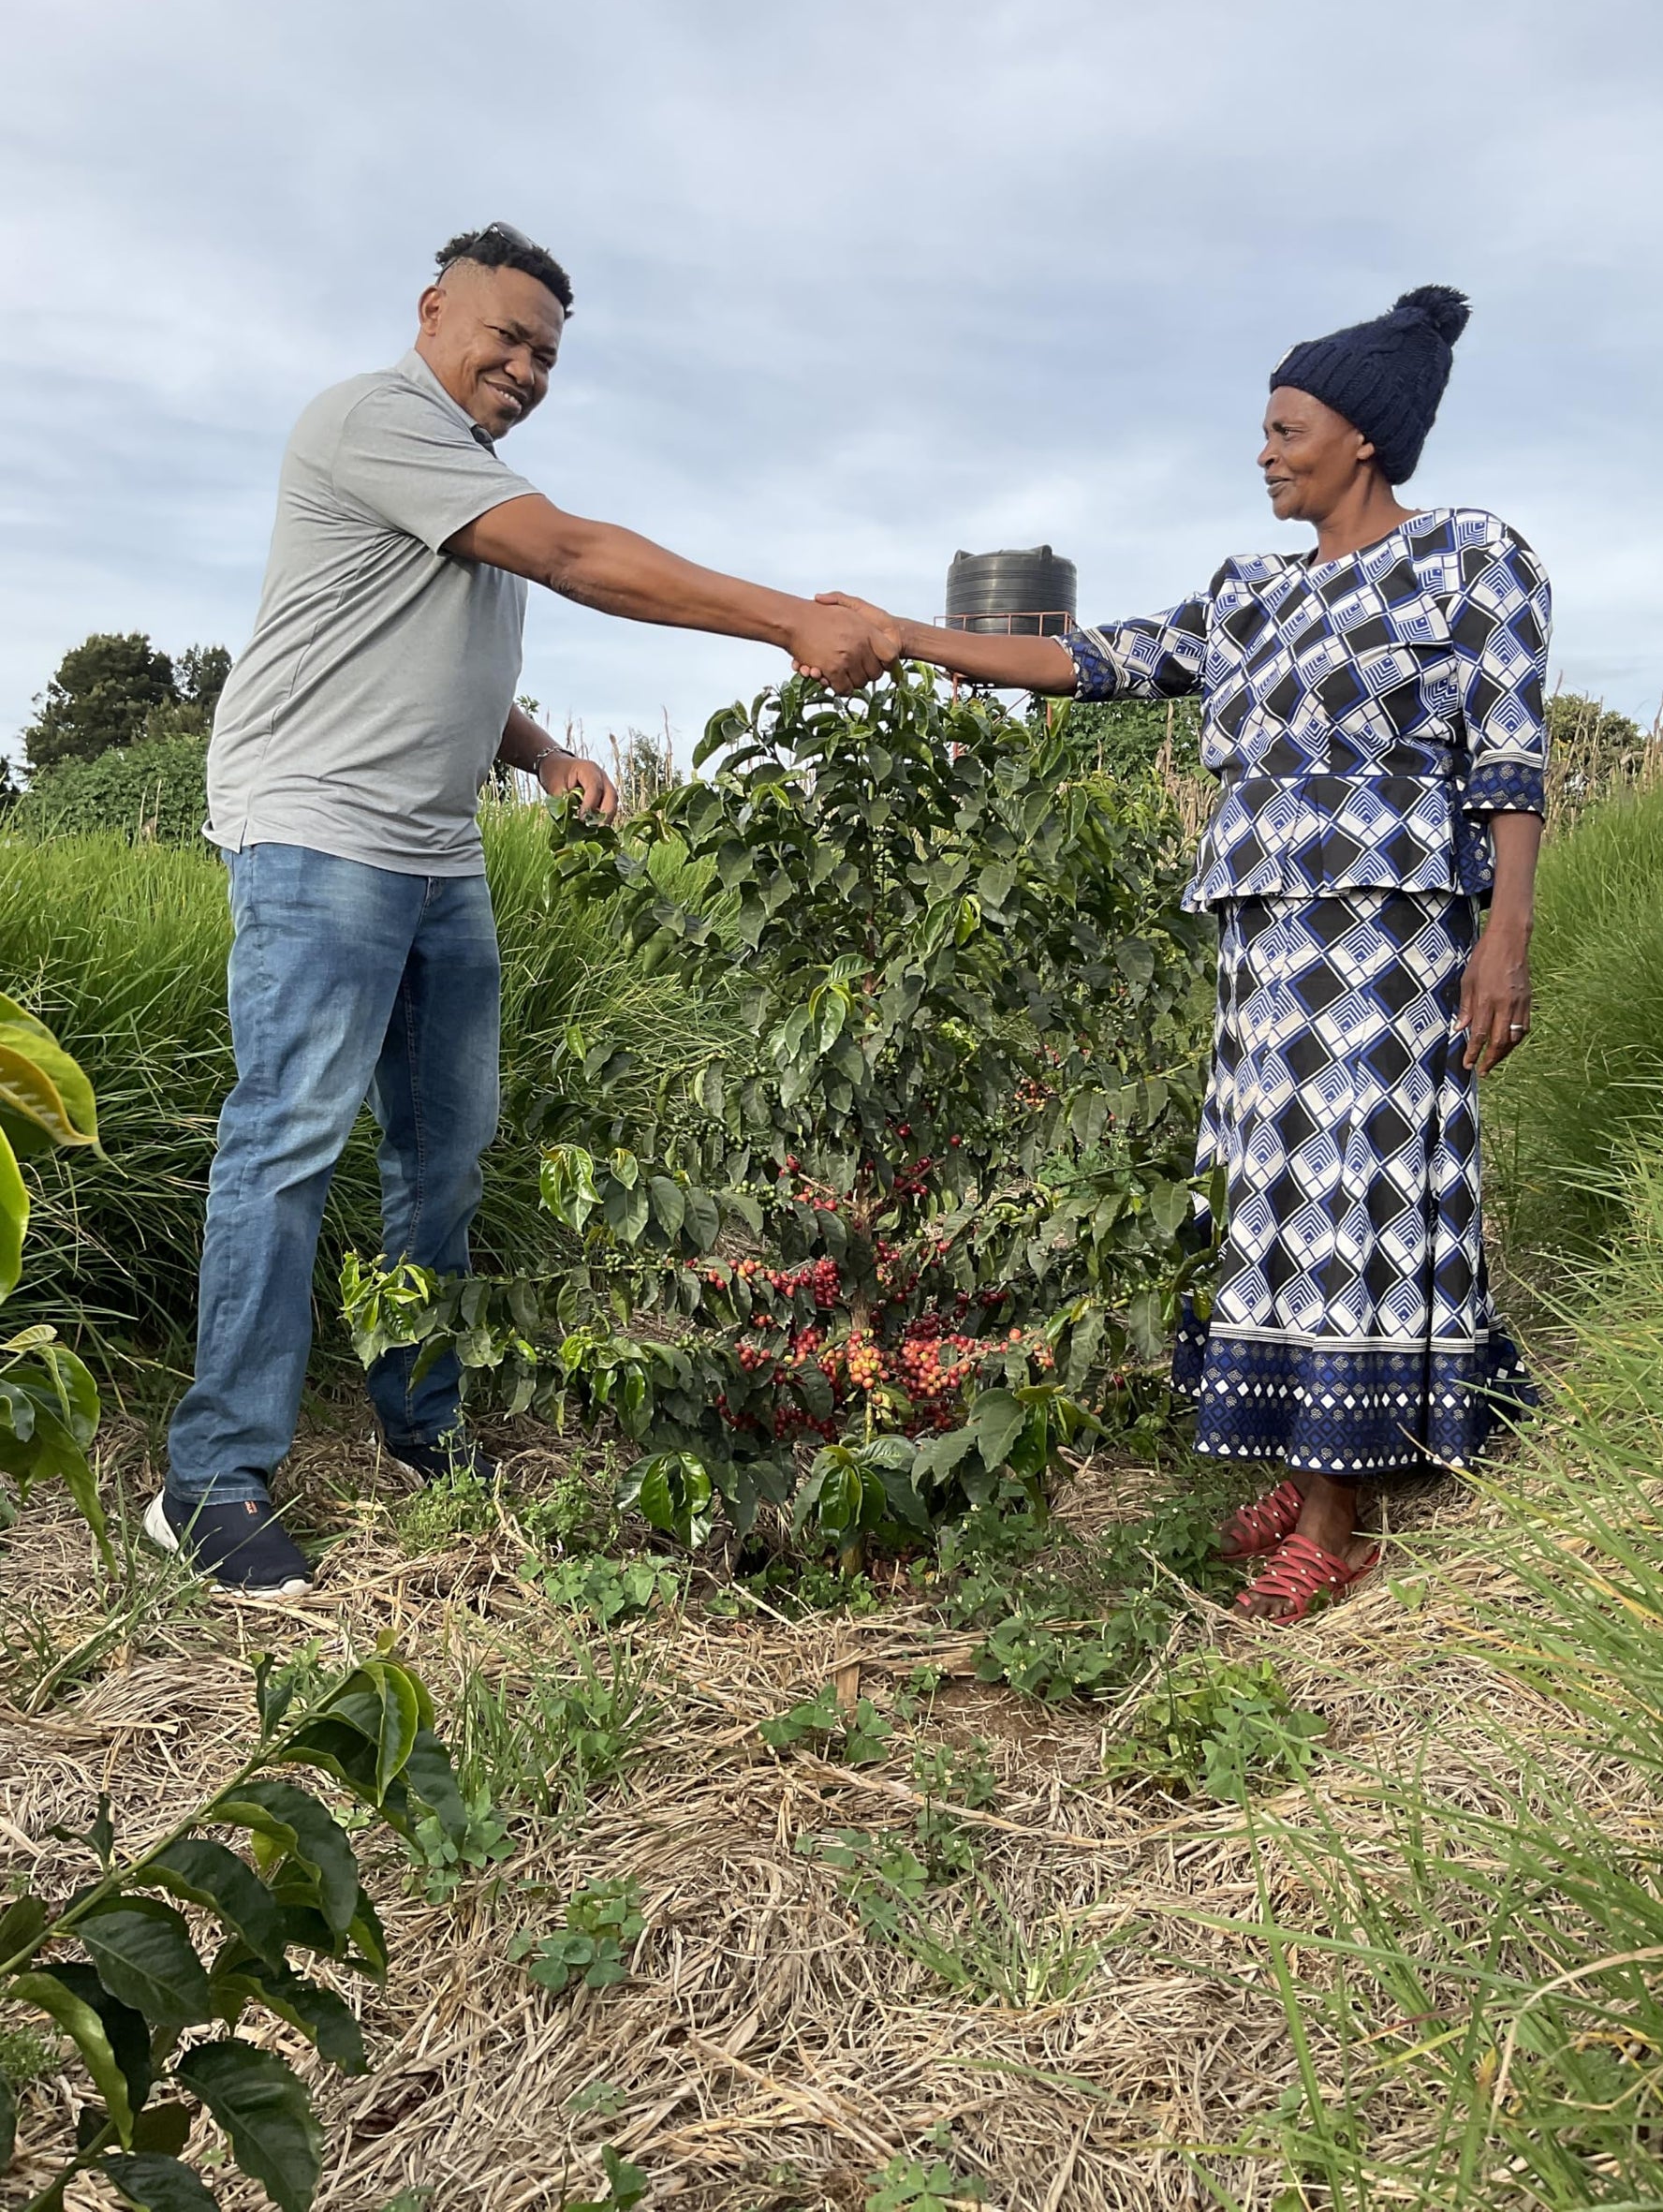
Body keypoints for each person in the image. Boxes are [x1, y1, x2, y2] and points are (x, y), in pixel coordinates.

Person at [145, 221, 891, 1600]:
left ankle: (421, 1424)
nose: (526, 366)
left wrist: (542, 755)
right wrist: (790, 617)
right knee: (290, 1141)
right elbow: (580, 554)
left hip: (435, 853)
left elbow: (439, 673)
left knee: (443, 1152)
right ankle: (211, 1477)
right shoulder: (377, 419)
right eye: (506, 335)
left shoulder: (463, 481)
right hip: (317, 834)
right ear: (434, 312)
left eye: (547, 353)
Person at [820, 286, 1547, 1622]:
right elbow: (1091, 660)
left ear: (1364, 441)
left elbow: (1509, 759)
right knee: (1267, 1197)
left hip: (1388, 936)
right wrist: (905, 635)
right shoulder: (1250, 596)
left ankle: (1341, 1512)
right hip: (1266, 944)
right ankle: (1311, 1453)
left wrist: (1506, 939)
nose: (1263, 451)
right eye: (1263, 429)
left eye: (1287, 428)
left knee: (1357, 1203)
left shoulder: (1467, 557)